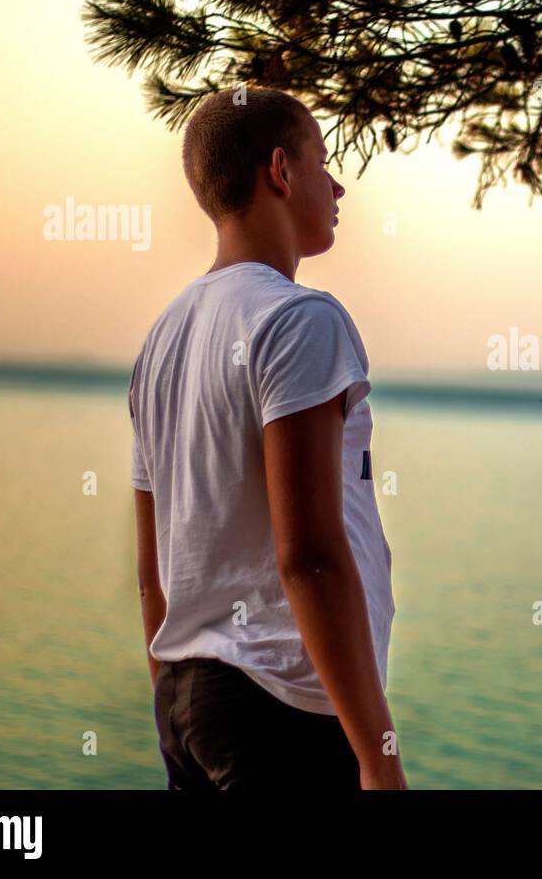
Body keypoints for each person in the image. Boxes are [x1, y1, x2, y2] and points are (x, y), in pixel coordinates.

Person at [128, 87, 405, 790]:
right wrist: (378, 756)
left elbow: (153, 569)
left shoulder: (161, 339)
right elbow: (309, 554)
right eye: (323, 160)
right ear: (280, 171)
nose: (338, 183)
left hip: (188, 702)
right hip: (281, 710)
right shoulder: (300, 321)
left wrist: (176, 694)